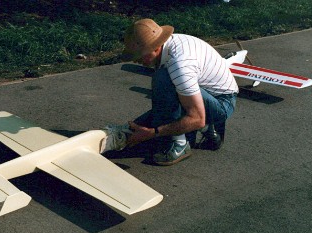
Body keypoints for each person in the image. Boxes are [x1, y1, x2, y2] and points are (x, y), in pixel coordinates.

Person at [102, 18, 238, 166]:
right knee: (162, 97)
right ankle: (207, 128)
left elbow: (197, 118)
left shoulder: (179, 65)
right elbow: (166, 105)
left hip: (222, 103)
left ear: (155, 48)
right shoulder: (169, 46)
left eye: (139, 55)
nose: (136, 60)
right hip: (206, 93)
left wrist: (153, 132)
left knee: (164, 79)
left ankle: (180, 144)